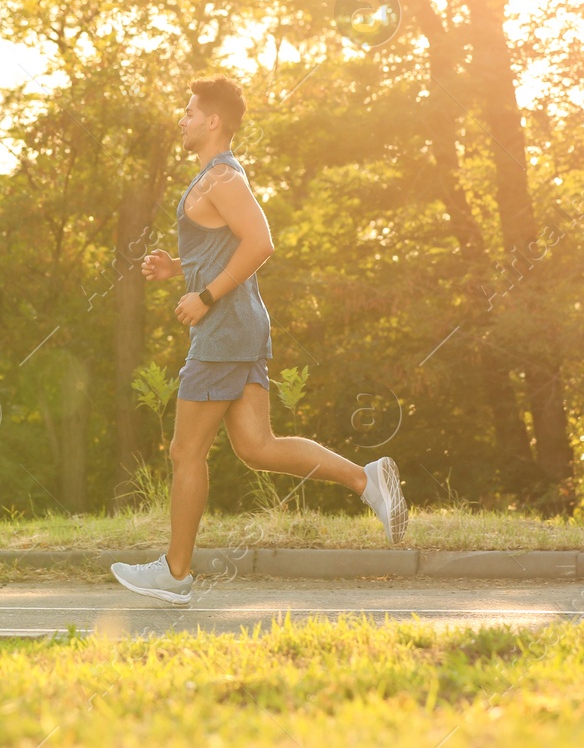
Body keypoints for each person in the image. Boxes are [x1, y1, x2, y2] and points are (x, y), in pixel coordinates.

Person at [110, 76, 407, 605]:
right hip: (240, 326)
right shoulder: (212, 180)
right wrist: (178, 268)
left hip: (224, 331)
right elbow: (228, 248)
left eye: (189, 112)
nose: (182, 119)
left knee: (185, 451)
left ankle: (175, 574)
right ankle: (367, 481)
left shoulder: (221, 178)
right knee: (257, 446)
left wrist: (203, 295)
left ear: (213, 121)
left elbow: (261, 244)